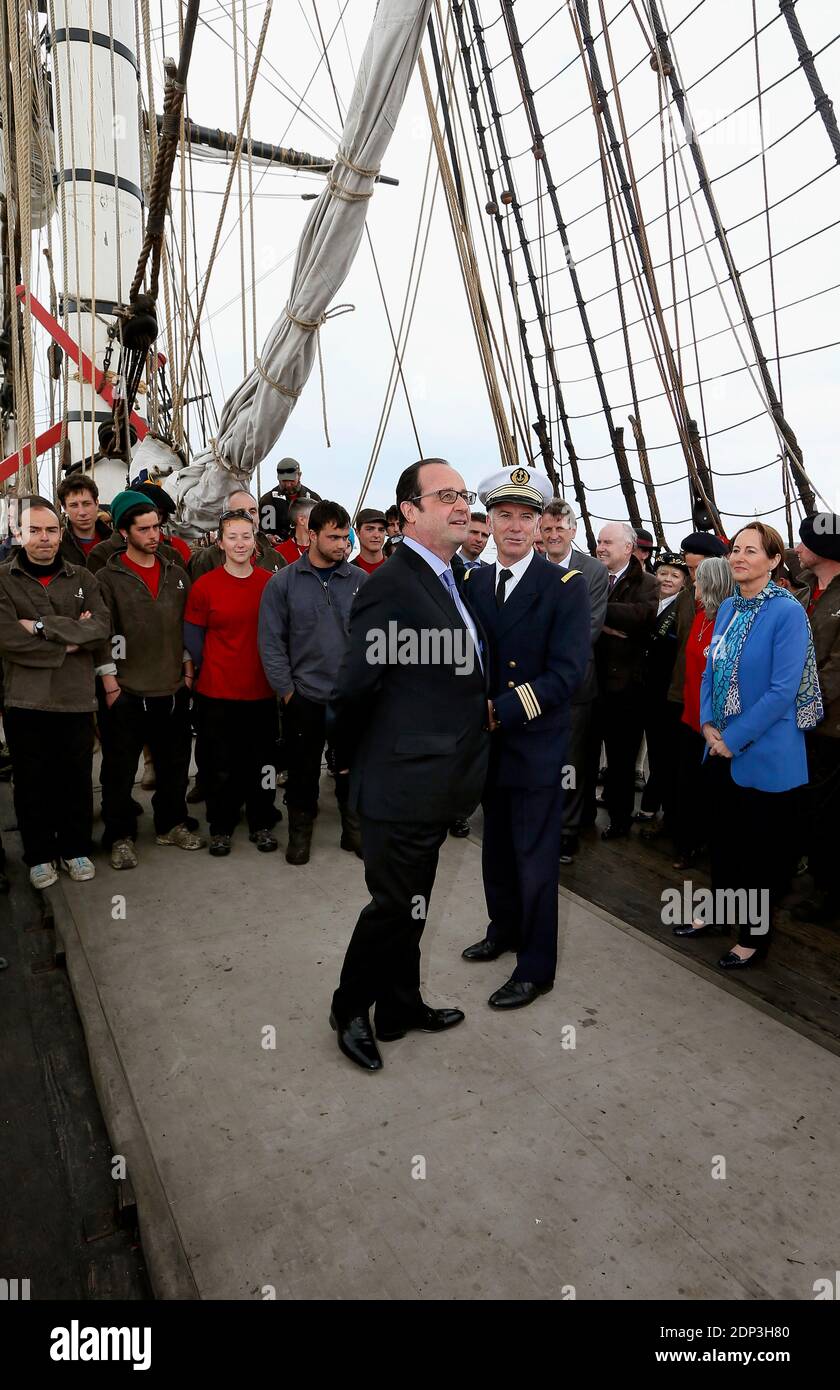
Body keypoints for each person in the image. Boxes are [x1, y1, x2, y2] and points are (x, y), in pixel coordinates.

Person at [329, 458, 489, 1071]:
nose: (460, 505)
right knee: (393, 906)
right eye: (444, 495)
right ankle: (349, 1007)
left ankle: (399, 1004)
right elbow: (352, 689)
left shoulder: (451, 580)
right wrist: (347, 764)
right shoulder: (391, 586)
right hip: (399, 781)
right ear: (409, 513)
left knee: (413, 900)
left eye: (463, 495)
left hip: (437, 780)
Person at [460, 468, 590, 1008]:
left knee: (534, 858)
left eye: (526, 517)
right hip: (488, 744)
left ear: (540, 526)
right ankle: (504, 929)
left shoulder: (564, 587)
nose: (515, 527)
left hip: (534, 741)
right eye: (505, 515)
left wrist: (500, 709)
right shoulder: (471, 583)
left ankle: (536, 967)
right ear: (488, 522)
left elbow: (567, 673)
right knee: (495, 848)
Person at [689, 523, 822, 969]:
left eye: (751, 550)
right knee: (723, 843)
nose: (739, 557)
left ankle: (753, 938)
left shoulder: (787, 612)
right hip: (720, 746)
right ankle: (722, 914)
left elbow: (783, 691)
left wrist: (734, 738)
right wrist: (709, 724)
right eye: (735, 549)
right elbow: (711, 669)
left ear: (773, 560)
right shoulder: (728, 607)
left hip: (766, 753)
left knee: (761, 855)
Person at [0, 496, 111, 888]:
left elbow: (99, 627)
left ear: (60, 533)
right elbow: (7, 638)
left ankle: (76, 847)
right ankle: (40, 854)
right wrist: (67, 639)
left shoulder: (84, 579)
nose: (43, 539)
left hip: (74, 697)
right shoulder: (2, 580)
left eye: (50, 530)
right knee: (31, 780)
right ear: (18, 534)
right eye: (33, 531)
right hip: (25, 699)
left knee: (76, 777)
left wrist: (42, 627)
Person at [94, 490, 204, 869]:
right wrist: (111, 684)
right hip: (126, 691)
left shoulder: (175, 572)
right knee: (119, 772)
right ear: (125, 532)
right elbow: (102, 634)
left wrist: (187, 670)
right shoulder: (107, 578)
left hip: (172, 688)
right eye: (144, 529)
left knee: (174, 766)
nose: (154, 535)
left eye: (157, 527)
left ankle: (171, 824)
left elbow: (186, 624)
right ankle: (120, 835)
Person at [258, 501, 367, 865]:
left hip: (349, 698)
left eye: (345, 536)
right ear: (313, 535)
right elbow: (271, 643)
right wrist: (288, 693)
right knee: (303, 774)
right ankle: (300, 835)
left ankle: (354, 833)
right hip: (304, 698)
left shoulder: (360, 582)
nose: (342, 544)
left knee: (350, 769)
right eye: (334, 537)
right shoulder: (282, 583)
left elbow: (372, 639)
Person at [184, 508, 279, 856]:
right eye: (233, 536)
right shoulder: (204, 587)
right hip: (217, 693)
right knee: (220, 765)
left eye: (246, 536)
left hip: (261, 692)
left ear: (255, 541)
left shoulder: (269, 583)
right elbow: (193, 637)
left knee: (263, 764)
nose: (240, 543)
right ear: (220, 542)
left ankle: (262, 821)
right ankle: (221, 826)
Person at [540, 498, 609, 863]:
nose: (553, 535)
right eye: (547, 529)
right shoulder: (530, 567)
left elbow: (589, 627)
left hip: (574, 684)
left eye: (559, 529)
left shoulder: (593, 572)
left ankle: (566, 831)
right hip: (533, 684)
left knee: (571, 761)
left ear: (573, 531)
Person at [591, 522, 658, 839]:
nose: (600, 547)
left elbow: (640, 617)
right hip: (589, 682)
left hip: (626, 688)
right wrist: (608, 622)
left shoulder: (648, 583)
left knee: (620, 759)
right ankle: (580, 814)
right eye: (599, 541)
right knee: (585, 755)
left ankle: (620, 820)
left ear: (628, 548)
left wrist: (594, 613)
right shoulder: (590, 576)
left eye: (607, 542)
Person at [669, 557, 733, 868]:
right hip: (689, 715)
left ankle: (702, 843)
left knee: (709, 789)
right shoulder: (700, 617)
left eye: (699, 579)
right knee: (687, 783)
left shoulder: (730, 620)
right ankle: (686, 842)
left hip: (715, 723)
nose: (693, 583)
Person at [792, 513, 840, 923]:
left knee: (828, 811)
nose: (797, 548)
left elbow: (836, 669)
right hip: (800, 721)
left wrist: (796, 707)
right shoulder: (806, 591)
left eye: (804, 543)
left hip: (830, 726)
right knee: (807, 805)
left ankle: (828, 896)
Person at [636, 552, 688, 836]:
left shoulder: (681, 609)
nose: (667, 579)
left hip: (664, 692)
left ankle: (652, 804)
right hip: (638, 687)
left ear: (683, 582)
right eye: (663, 573)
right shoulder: (647, 603)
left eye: (675, 575)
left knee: (660, 752)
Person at [188, 490, 287, 580]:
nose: (249, 518)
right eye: (241, 512)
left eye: (252, 511)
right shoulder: (206, 560)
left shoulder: (275, 558)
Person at [56, 473, 112, 565]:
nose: (82, 512)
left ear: (96, 503)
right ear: (64, 508)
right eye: (74, 505)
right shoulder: (57, 548)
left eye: (86, 504)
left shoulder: (116, 544)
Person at [258, 458, 321, 540]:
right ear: (278, 478)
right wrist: (269, 537)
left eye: (291, 480)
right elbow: (263, 531)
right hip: (278, 550)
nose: (288, 485)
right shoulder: (268, 500)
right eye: (284, 481)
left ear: (299, 475)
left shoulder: (314, 499)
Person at [273, 498, 315, 566]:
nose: (320, 521)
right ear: (301, 520)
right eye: (316, 517)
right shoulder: (278, 554)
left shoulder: (323, 549)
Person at [351, 508, 387, 574]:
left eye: (381, 530)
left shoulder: (397, 569)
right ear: (357, 532)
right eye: (370, 529)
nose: (376, 535)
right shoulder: (347, 573)